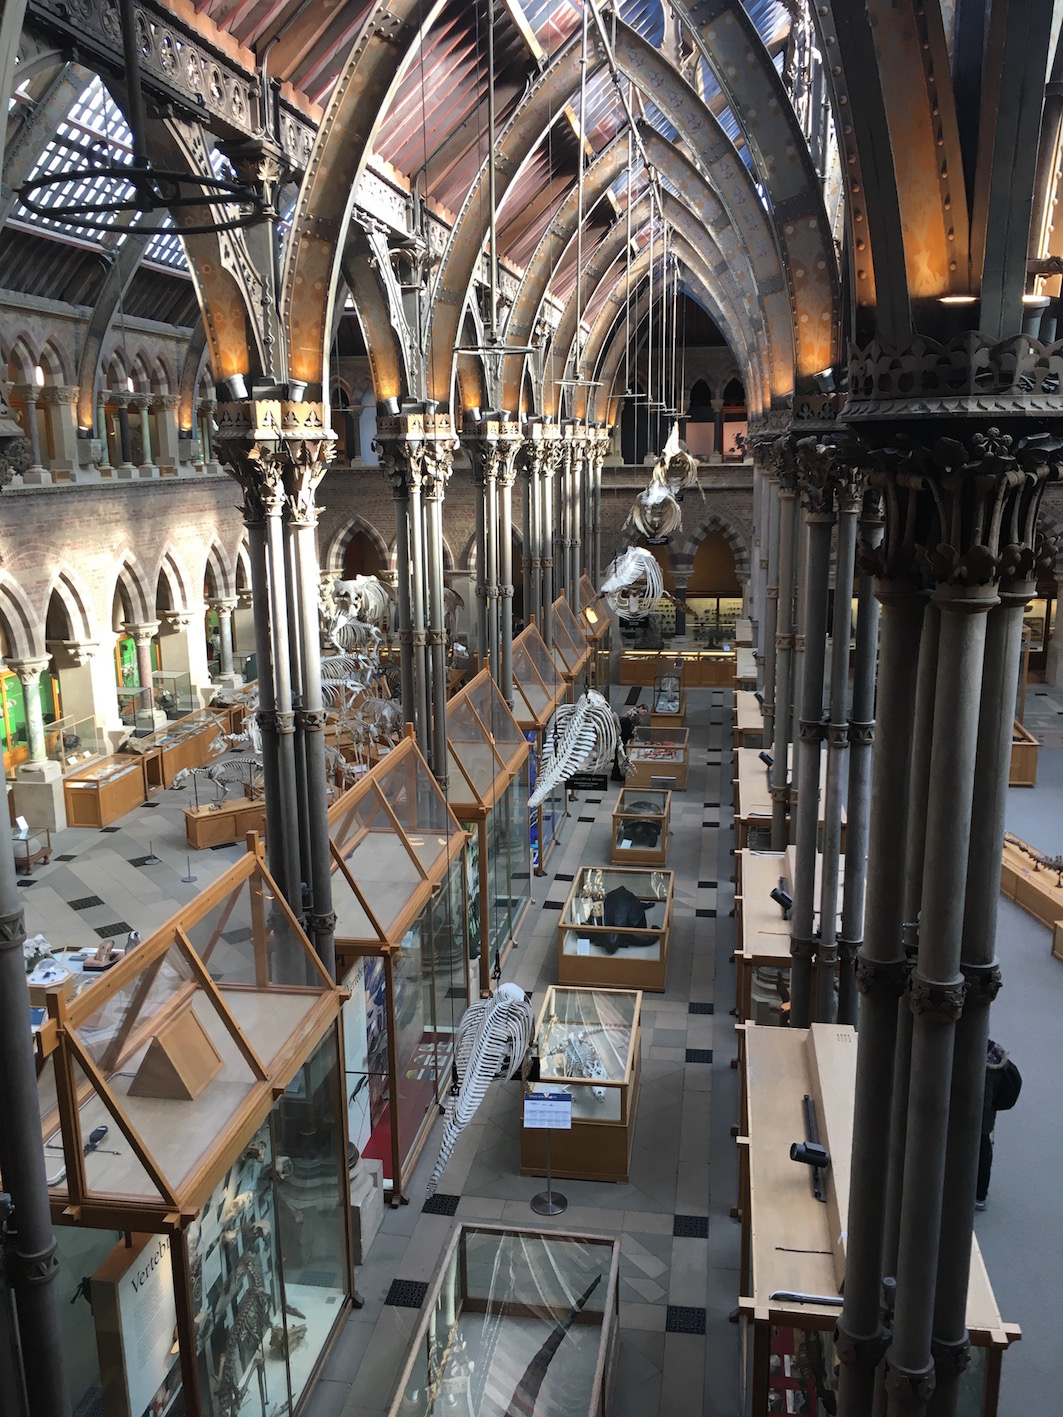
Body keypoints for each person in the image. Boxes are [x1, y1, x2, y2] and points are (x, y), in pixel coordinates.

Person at [976, 1038, 1022, 1210]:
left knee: (980, 1153)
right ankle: (979, 1194)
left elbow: (982, 1102)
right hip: (985, 1119)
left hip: (978, 1121)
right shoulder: (992, 1051)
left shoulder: (984, 1070)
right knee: (983, 1150)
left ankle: (979, 1195)